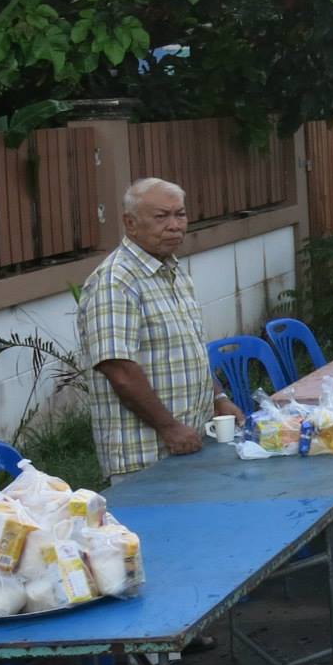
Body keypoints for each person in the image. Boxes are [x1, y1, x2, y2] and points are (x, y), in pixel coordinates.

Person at [78, 177, 241, 481]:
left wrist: (218, 398)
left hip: (189, 444)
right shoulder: (115, 281)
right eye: (161, 217)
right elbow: (119, 369)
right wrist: (170, 427)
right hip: (144, 457)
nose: (175, 226)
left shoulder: (173, 272)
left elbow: (188, 352)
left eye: (180, 214)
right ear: (130, 223)